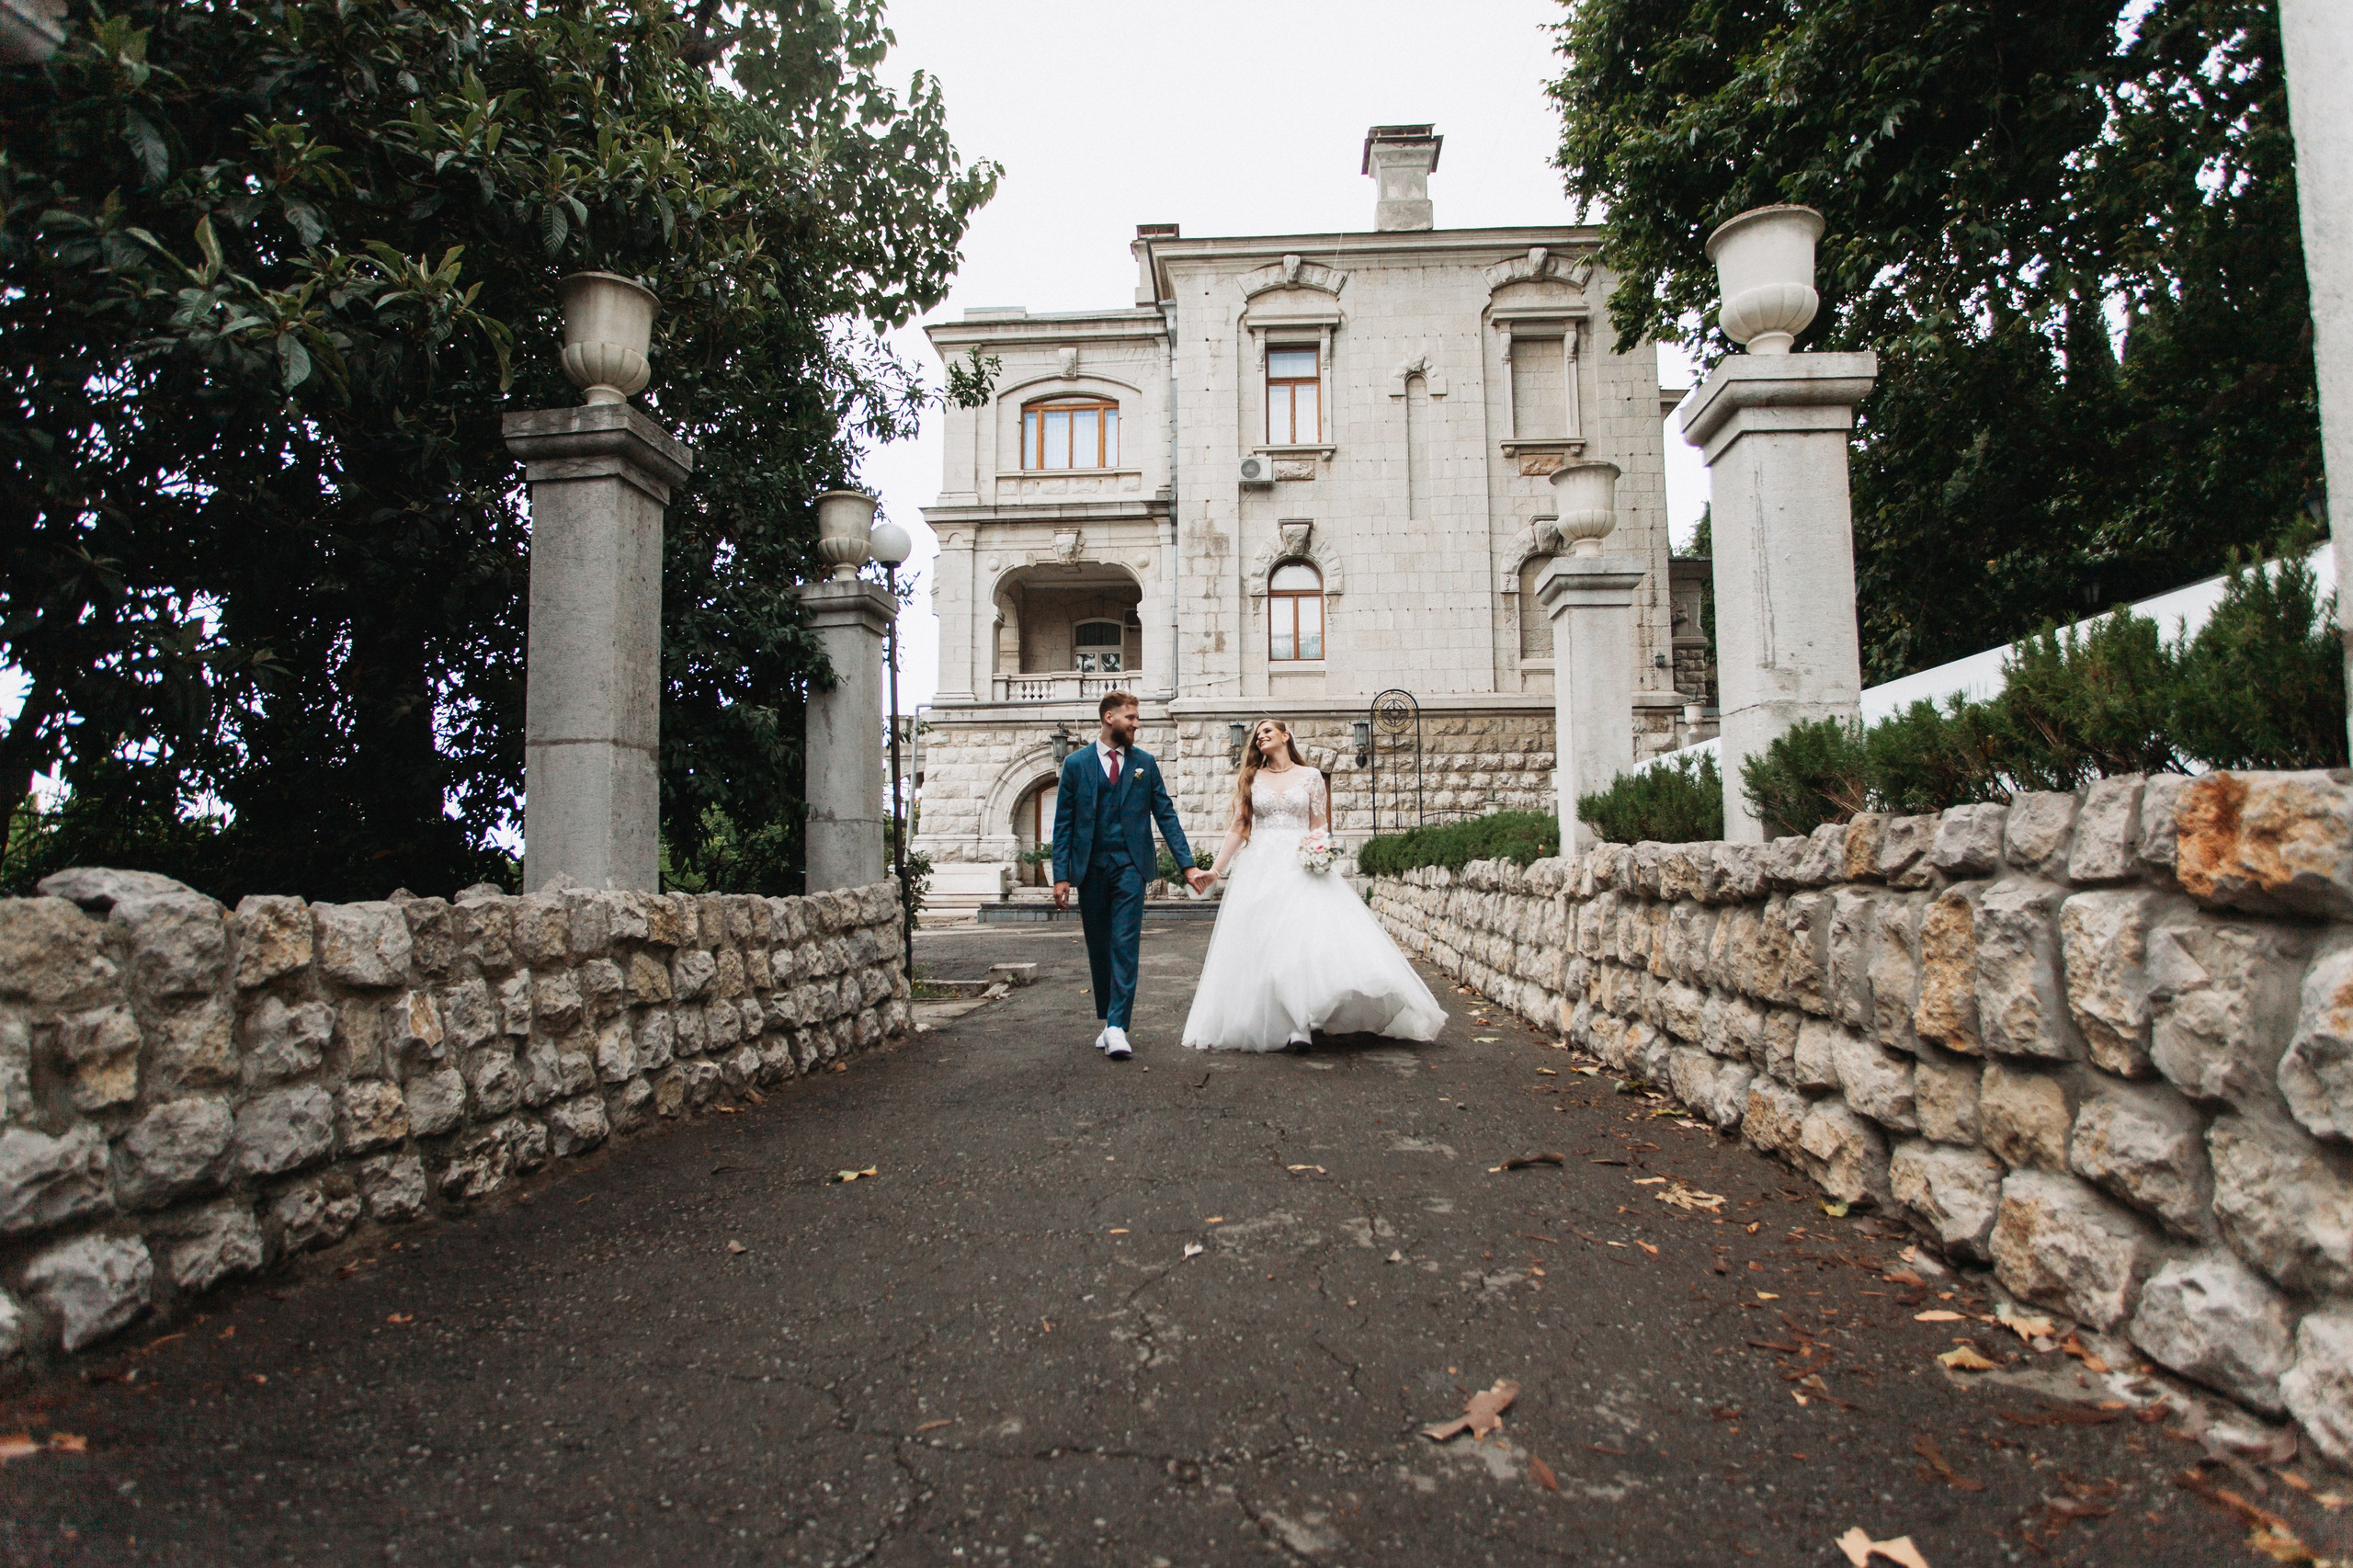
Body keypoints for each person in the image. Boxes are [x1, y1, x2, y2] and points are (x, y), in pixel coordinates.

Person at [1182, 717, 1446, 1053]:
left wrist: (1320, 850)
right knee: (1267, 944)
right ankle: (1282, 1020)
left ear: (1285, 736)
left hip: (1301, 866)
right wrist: (1216, 871)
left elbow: (1319, 824)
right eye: (1257, 734)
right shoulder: (1253, 778)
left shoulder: (1310, 777)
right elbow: (1239, 827)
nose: (1260, 736)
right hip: (1261, 868)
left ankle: (1300, 1024)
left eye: (1267, 731)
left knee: (1300, 942)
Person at [1051, 691, 1214, 1060]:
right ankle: (1109, 1018)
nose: (1136, 724)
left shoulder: (1144, 763)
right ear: (1109, 718)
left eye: (1137, 718)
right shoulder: (1076, 764)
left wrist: (1187, 865)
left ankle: (1117, 1026)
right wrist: (1061, 875)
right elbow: (1063, 823)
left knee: (1124, 942)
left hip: (1130, 867)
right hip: (1090, 867)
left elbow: (1166, 814)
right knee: (1099, 945)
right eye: (1131, 718)